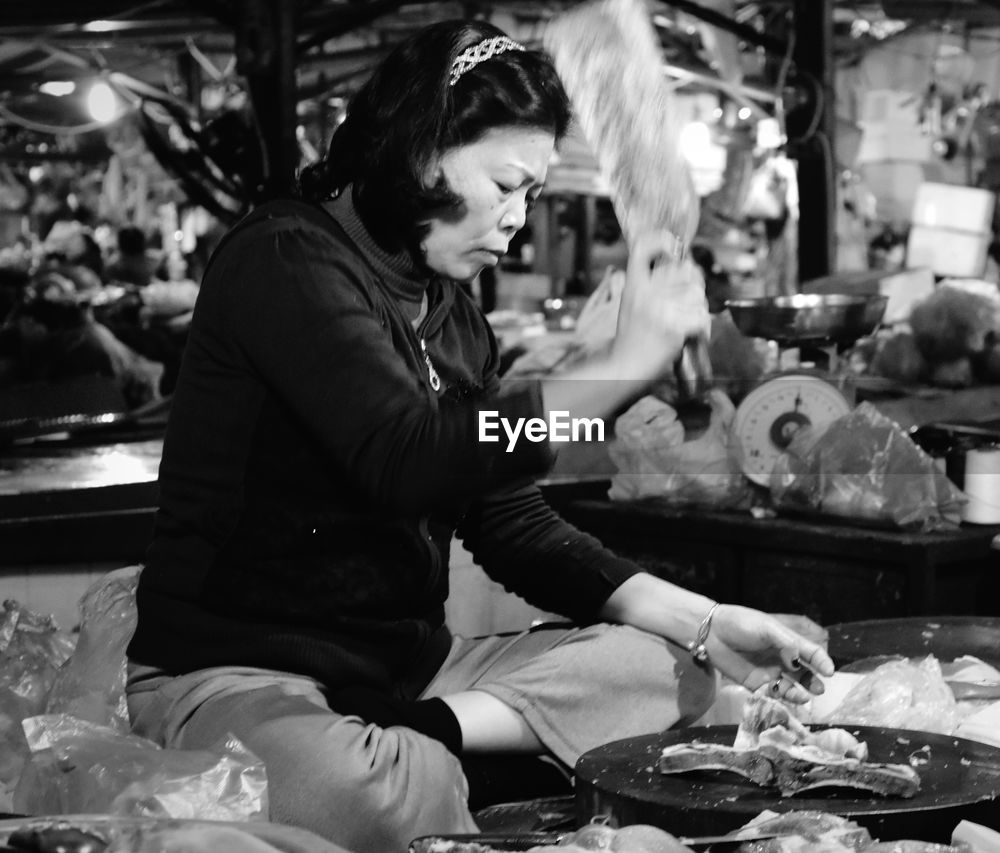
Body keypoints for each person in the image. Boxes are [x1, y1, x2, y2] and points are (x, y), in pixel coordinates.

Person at [124, 20, 834, 853]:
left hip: (407, 677)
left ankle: (427, 737)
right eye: (504, 183)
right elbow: (407, 456)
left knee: (674, 669)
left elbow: (511, 524)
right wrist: (617, 368)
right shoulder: (284, 260)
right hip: (240, 672)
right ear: (422, 150)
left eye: (530, 194)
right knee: (367, 790)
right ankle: (436, 760)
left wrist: (707, 621)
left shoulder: (454, 311)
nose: (516, 220)